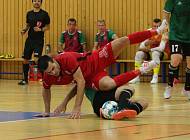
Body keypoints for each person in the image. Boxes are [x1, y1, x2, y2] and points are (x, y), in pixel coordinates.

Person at [37, 23, 167, 119]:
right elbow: (46, 90)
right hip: (91, 77)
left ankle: (155, 31)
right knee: (108, 84)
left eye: (53, 68)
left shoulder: (66, 58)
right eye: (49, 72)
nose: (52, 72)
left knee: (121, 41)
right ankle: (142, 69)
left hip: (96, 59)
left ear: (54, 60)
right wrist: (47, 111)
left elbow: (80, 82)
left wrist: (76, 108)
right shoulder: (48, 76)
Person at [53, 85, 148, 120]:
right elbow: (76, 88)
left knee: (144, 102)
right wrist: (64, 103)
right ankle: (123, 108)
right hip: (100, 97)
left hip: (100, 108)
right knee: (129, 88)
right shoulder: (87, 74)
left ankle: (122, 109)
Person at [18, 0, 50, 85]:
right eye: (35, 1)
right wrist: (24, 30)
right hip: (29, 40)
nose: (37, 2)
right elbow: (28, 24)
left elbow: (47, 27)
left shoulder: (44, 14)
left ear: (41, 3)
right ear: (32, 2)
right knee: (25, 60)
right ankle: (25, 80)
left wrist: (41, 29)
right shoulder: (29, 14)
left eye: (38, 1)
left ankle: (44, 79)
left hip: (38, 41)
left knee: (37, 59)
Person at [129, 18, 169, 84]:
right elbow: (141, 46)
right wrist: (145, 44)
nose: (156, 28)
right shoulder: (149, 32)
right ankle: (136, 77)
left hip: (164, 53)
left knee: (155, 53)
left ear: (161, 26)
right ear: (152, 26)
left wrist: (150, 49)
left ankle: (155, 77)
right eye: (154, 26)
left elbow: (161, 48)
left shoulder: (165, 32)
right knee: (139, 54)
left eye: (158, 26)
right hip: (151, 52)